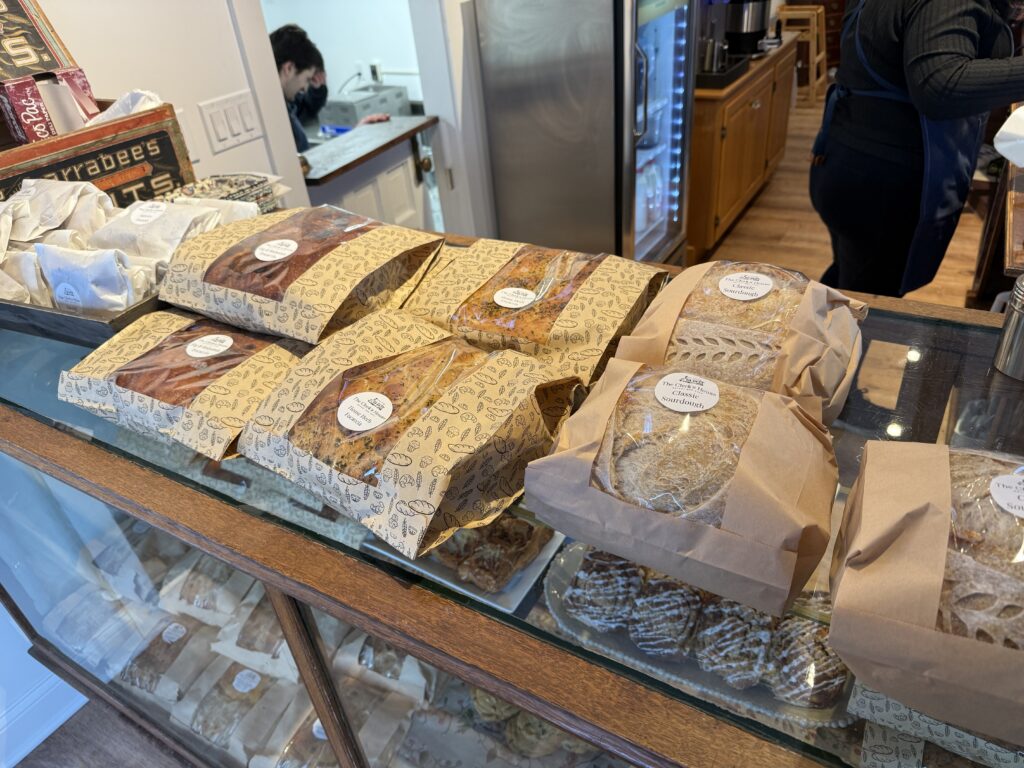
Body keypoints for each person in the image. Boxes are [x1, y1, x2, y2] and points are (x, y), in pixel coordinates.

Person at [809, 0, 1024, 297]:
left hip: (845, 159)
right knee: (866, 303)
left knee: (850, 283)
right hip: (881, 187)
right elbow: (943, 87)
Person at [270, 24, 391, 153]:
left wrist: (356, 134)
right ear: (289, 69)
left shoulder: (285, 106)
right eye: (306, 79)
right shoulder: (273, 119)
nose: (304, 89)